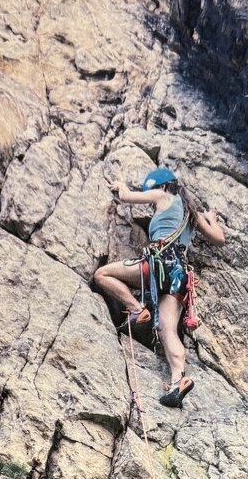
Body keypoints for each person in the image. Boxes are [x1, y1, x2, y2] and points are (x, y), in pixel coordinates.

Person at [93, 167, 225, 407]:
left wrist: (121, 185)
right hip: (178, 277)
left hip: (158, 264)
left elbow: (127, 197)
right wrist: (211, 220)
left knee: (102, 274)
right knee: (167, 330)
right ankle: (178, 381)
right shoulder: (191, 213)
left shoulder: (163, 195)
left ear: (162, 186)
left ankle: (136, 309)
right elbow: (219, 239)